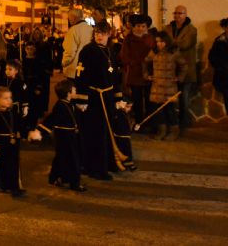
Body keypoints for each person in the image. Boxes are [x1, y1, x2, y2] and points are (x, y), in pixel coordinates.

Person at [74, 21, 124, 181]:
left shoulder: (110, 51)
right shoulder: (88, 51)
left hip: (108, 98)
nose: (99, 36)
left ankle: (108, 163)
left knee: (108, 132)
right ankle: (95, 168)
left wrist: (118, 97)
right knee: (96, 134)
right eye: (96, 33)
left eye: (102, 33)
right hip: (95, 98)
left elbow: (114, 75)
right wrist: (82, 99)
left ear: (109, 34)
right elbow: (81, 74)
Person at [30, 79, 86, 192]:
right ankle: (74, 183)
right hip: (64, 136)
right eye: (74, 89)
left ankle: (53, 177)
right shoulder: (61, 105)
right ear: (68, 92)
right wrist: (40, 130)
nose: (76, 90)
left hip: (70, 135)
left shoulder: (69, 103)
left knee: (60, 157)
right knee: (73, 159)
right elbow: (51, 119)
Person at [143, 32, 187, 140]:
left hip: (169, 86)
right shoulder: (154, 52)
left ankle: (174, 131)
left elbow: (184, 65)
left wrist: (179, 77)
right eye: (157, 41)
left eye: (162, 41)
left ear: (167, 41)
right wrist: (147, 75)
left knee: (170, 110)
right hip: (157, 86)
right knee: (158, 111)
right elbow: (145, 62)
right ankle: (162, 131)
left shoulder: (174, 52)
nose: (159, 44)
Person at [0, 86, 27, 197]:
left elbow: (20, 125)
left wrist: (26, 133)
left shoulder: (13, 112)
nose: (9, 101)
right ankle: (1, 183)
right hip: (1, 144)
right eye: (6, 98)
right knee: (2, 166)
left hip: (13, 143)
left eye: (10, 98)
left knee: (14, 165)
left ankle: (15, 187)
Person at [164, 5, 197, 134]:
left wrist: (171, 43)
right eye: (175, 13)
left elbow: (185, 44)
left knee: (184, 98)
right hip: (170, 69)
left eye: (180, 13)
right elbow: (163, 43)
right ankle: (172, 123)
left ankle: (184, 124)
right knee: (170, 98)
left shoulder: (192, 30)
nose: (177, 15)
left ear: (185, 14)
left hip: (186, 69)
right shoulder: (168, 28)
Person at [120, 14, 154, 126]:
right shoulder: (128, 39)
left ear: (147, 27)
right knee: (137, 100)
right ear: (134, 27)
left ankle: (149, 122)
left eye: (143, 26)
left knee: (150, 100)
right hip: (135, 73)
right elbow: (124, 56)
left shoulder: (150, 38)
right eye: (138, 26)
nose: (140, 28)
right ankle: (139, 122)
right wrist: (132, 63)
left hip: (148, 73)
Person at [62, 9, 93, 80]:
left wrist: (64, 63)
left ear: (74, 18)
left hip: (74, 69)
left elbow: (70, 52)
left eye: (69, 18)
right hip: (88, 67)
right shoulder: (91, 29)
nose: (69, 20)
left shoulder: (73, 30)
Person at [209, 18, 228, 114]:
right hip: (224, 76)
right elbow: (212, 57)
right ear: (224, 27)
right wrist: (220, 67)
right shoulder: (219, 41)